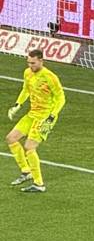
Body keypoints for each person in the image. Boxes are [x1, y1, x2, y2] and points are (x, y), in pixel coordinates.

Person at [6, 49, 65, 193]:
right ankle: (26, 171)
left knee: (29, 147)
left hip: (45, 117)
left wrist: (52, 116)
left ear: (41, 61)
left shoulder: (50, 77)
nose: (30, 66)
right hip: (32, 114)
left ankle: (39, 184)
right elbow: (25, 89)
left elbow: (61, 98)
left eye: (33, 63)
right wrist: (18, 104)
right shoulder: (27, 73)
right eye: (28, 63)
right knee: (11, 138)